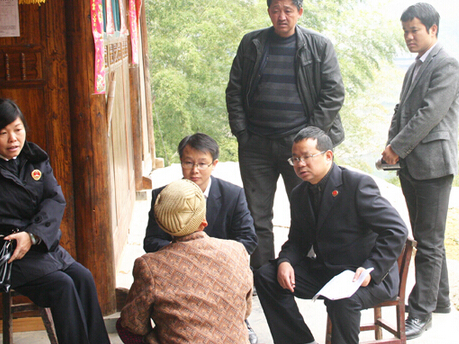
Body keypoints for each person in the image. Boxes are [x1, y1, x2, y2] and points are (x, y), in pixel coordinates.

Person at [0, 98, 110, 344]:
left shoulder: (34, 159)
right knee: (62, 286)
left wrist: (33, 235)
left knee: (83, 277)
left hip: (39, 245)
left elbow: (54, 199)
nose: (13, 139)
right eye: (2, 133)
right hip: (2, 257)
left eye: (18, 129)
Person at [226, 0, 345, 269]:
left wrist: (309, 138)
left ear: (299, 12)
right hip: (256, 145)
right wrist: (242, 132)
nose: (282, 16)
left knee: (307, 210)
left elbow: (334, 93)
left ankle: (303, 271)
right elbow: (234, 89)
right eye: (276, 10)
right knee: (257, 214)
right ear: (269, 12)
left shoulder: (318, 45)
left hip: (300, 149)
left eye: (288, 10)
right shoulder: (252, 43)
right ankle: (263, 274)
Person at [255, 126, 408, 344]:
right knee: (267, 275)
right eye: (295, 159)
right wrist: (285, 261)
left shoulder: (355, 185)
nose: (300, 164)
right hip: (328, 271)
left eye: (306, 157)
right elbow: (298, 240)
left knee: (342, 300)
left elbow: (396, 229)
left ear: (328, 156)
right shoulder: (300, 193)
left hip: (365, 276)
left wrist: (371, 269)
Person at [381, 3, 459, 339]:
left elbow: (429, 115)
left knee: (427, 242)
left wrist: (397, 147)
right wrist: (391, 146)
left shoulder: (446, 64)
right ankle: (440, 300)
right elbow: (402, 110)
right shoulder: (416, 65)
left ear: (433, 29)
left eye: (414, 30)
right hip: (411, 165)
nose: (409, 37)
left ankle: (420, 312)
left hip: (434, 166)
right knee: (428, 238)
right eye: (405, 31)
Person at [144, 132, 258, 343]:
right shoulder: (163, 196)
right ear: (180, 162)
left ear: (214, 164)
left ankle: (239, 321)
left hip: (221, 271)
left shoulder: (233, 195)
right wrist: (184, 256)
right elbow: (151, 240)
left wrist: (213, 255)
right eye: (188, 162)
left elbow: (248, 238)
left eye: (202, 164)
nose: (194, 170)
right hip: (179, 272)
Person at [119, 179, 253, 344]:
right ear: (203, 220)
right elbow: (245, 311)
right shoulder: (237, 251)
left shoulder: (150, 266)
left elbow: (132, 324)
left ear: (161, 223)